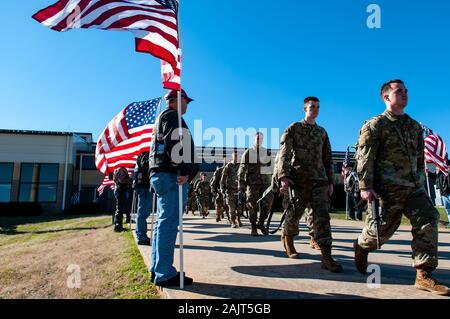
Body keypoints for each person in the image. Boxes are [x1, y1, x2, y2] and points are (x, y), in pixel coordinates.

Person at [353, 79, 449, 296]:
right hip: (387, 189)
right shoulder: (375, 125)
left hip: (413, 188)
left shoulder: (414, 126)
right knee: (381, 231)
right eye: (399, 91)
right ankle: (361, 245)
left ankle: (423, 274)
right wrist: (365, 186)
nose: (405, 94)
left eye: (406, 91)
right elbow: (364, 158)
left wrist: (419, 183)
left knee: (428, 219)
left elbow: (418, 159)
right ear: (386, 97)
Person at [275, 96, 342, 273]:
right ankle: (288, 239)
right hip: (299, 179)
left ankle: (327, 257)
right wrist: (283, 176)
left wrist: (330, 181)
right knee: (294, 213)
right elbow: (284, 154)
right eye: (312, 106)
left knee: (322, 218)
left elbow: (327, 158)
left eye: (318, 107)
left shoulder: (322, 132)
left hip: (319, 180)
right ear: (305, 108)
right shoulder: (294, 128)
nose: (315, 109)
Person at [148, 88, 199, 287]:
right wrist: (185, 170)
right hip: (172, 176)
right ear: (178, 100)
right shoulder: (171, 116)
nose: (187, 105)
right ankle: (165, 273)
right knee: (168, 225)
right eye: (186, 101)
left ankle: (157, 269)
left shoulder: (164, 117)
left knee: (162, 224)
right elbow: (174, 142)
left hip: (163, 174)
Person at [238, 132, 274, 236]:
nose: (259, 140)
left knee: (268, 203)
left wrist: (273, 182)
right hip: (252, 183)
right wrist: (241, 183)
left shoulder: (266, 152)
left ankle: (261, 223)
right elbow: (242, 168)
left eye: (261, 138)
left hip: (265, 183)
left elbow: (271, 168)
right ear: (254, 139)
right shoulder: (248, 152)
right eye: (257, 138)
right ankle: (253, 227)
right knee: (252, 206)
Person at [133, 151, 152, 245]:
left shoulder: (142, 153)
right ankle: (141, 236)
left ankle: (141, 235)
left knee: (144, 211)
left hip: (142, 185)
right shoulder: (144, 153)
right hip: (143, 185)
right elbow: (146, 165)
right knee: (143, 211)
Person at [220, 151, 243, 228]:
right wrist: (222, 187)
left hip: (239, 190)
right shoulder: (228, 166)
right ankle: (233, 221)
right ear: (232, 157)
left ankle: (238, 219)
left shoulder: (240, 166)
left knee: (240, 208)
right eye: (235, 157)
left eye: (237, 157)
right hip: (230, 190)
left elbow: (243, 176)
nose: (236, 158)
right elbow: (223, 177)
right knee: (232, 208)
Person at [112, 166, 132, 232]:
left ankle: (119, 225)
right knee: (120, 209)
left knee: (121, 208)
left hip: (121, 190)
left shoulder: (121, 170)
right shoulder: (120, 170)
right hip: (120, 191)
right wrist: (130, 180)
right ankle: (118, 226)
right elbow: (121, 180)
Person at [210, 157, 229, 223]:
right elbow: (214, 181)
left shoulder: (231, 169)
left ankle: (229, 218)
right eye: (225, 161)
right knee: (218, 204)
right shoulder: (219, 170)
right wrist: (213, 189)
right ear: (223, 161)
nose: (226, 162)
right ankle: (218, 215)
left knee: (227, 205)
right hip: (219, 190)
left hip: (229, 191)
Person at [435, 159, 450, 227]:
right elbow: (435, 177)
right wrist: (428, 173)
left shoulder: (448, 164)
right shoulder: (438, 166)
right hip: (443, 192)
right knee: (448, 209)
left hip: (449, 190)